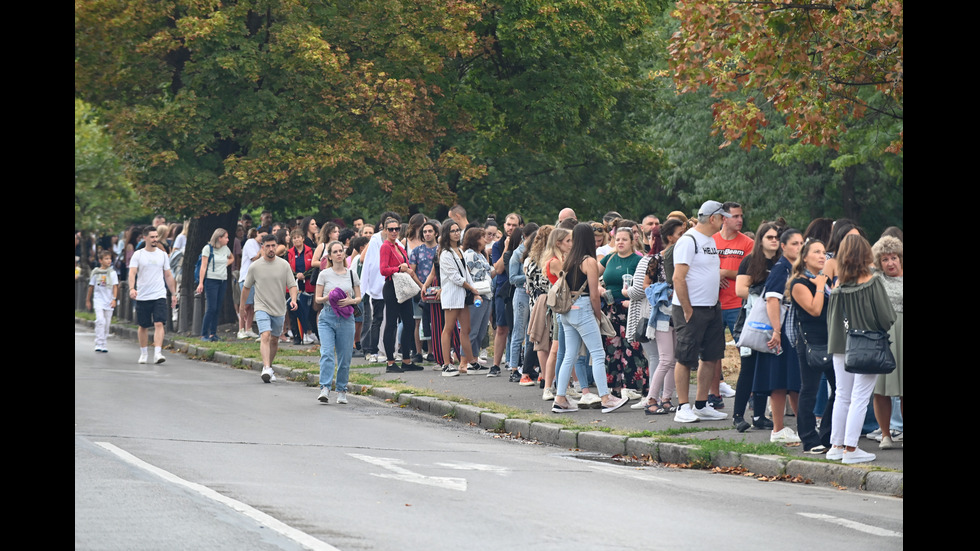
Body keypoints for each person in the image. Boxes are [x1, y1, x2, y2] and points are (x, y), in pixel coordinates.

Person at [825, 234, 897, 464]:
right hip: (868, 345)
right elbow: (887, 317)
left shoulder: (837, 286)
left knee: (842, 395)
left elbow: (832, 321)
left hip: (839, 345)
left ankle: (836, 446)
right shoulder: (872, 283)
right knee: (860, 397)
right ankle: (851, 448)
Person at [551, 223, 630, 414]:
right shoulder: (589, 261)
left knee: (570, 354)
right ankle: (605, 397)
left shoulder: (569, 259)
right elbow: (594, 294)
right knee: (597, 352)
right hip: (584, 308)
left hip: (567, 311)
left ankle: (560, 398)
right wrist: (597, 314)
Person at [671, 201, 730, 423]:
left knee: (712, 356)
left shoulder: (710, 241)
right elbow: (678, 277)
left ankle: (701, 404)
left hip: (711, 306)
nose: (725, 220)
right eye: (722, 217)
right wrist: (687, 309)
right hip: (692, 308)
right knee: (685, 358)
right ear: (712, 218)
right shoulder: (689, 240)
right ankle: (682, 406)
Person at [755, 228, 805, 443]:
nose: (799, 247)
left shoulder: (796, 269)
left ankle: (798, 427)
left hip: (790, 331)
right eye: (794, 243)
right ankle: (780, 429)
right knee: (781, 381)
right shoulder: (781, 269)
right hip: (781, 333)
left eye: (801, 243)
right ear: (783, 247)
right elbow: (772, 300)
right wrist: (776, 331)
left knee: (789, 381)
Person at [732, 223, 781, 432]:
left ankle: (760, 415)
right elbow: (740, 290)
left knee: (766, 369)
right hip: (753, 320)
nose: (774, 240)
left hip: (776, 320)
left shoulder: (783, 262)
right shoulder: (750, 261)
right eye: (769, 237)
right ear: (761, 239)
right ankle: (737, 415)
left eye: (777, 237)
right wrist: (766, 292)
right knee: (748, 368)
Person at [790, 239, 834, 453]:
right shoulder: (799, 283)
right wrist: (818, 287)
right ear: (804, 257)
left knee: (840, 390)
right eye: (816, 252)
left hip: (831, 340)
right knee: (810, 390)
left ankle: (827, 434)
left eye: (824, 252)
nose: (822, 256)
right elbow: (815, 310)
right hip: (811, 343)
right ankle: (808, 438)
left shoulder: (823, 281)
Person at [241, 234, 299, 383]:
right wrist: (242, 307)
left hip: (279, 308)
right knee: (265, 335)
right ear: (262, 247)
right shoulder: (255, 267)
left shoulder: (283, 265)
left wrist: (293, 300)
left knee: (274, 340)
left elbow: (292, 285)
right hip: (261, 306)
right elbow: (246, 288)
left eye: (273, 245)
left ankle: (269, 367)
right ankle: (266, 367)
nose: (271, 249)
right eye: (268, 246)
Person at [711, 201, 752, 405]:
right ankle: (714, 394)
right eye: (735, 216)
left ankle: (751, 394)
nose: (740, 220)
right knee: (713, 352)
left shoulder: (747, 243)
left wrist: (725, 272)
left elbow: (752, 273)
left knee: (745, 350)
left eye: (741, 216)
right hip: (713, 304)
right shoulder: (711, 241)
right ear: (723, 218)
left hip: (738, 304)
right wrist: (713, 275)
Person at [600, 226, 646, 399]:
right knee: (612, 348)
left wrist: (633, 300)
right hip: (611, 309)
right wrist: (598, 288)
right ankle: (615, 387)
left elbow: (644, 284)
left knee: (632, 347)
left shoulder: (638, 260)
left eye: (624, 239)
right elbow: (590, 275)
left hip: (630, 308)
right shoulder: (609, 258)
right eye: (617, 239)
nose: (620, 242)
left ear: (632, 241)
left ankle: (635, 386)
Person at [314, 240, 362, 404]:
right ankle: (325, 388)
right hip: (327, 316)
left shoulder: (351, 274)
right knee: (327, 353)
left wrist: (351, 301)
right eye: (335, 251)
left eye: (341, 251)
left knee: (345, 357)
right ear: (330, 256)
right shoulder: (324, 274)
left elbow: (359, 296)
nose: (339, 254)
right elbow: (318, 298)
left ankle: (342, 390)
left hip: (347, 318)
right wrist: (329, 297)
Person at [871, 236, 903, 450]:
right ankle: (885, 434)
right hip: (883, 333)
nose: (890, 263)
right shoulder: (876, 279)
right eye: (884, 259)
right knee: (881, 387)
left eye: (894, 258)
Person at [380, 217, 424, 373]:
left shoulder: (399, 245)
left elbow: (405, 266)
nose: (394, 232)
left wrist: (408, 271)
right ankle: (390, 362)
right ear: (385, 230)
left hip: (403, 287)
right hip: (392, 286)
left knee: (409, 323)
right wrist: (399, 268)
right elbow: (383, 270)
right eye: (390, 229)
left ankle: (406, 359)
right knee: (391, 324)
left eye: (396, 229)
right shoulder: (386, 246)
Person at [128, 226, 177, 364]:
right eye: (152, 237)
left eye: (156, 237)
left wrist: (173, 293)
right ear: (145, 238)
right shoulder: (138, 255)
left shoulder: (162, 254)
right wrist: (132, 288)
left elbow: (168, 274)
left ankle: (158, 353)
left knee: (159, 323)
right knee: (143, 325)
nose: (155, 239)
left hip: (159, 294)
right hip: (143, 295)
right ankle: (144, 353)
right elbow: (132, 272)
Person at [438, 219, 481, 376]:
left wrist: (474, 292)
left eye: (457, 230)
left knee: (466, 328)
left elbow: (466, 273)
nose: (456, 233)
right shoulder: (445, 254)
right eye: (453, 231)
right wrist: (471, 288)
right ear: (446, 234)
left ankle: (471, 362)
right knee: (448, 329)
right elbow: (455, 277)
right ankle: (446, 364)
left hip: (462, 295)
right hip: (452, 295)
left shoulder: (460, 251)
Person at [491, 213, 522, 375]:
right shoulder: (498, 245)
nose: (510, 228)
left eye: (514, 225)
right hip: (504, 289)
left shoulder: (524, 245)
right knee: (502, 327)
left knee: (519, 328)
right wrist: (506, 248)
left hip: (521, 289)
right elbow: (498, 269)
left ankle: (517, 363)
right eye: (508, 224)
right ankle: (496, 365)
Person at [463, 227, 495, 373]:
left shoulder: (480, 255)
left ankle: (474, 359)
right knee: (472, 329)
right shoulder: (469, 254)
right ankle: (466, 361)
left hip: (486, 295)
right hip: (477, 295)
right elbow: (466, 274)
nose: (485, 240)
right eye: (482, 237)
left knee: (481, 330)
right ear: (475, 239)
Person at [409, 221, 440, 363]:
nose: (427, 234)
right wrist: (422, 286)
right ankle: (418, 352)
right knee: (418, 321)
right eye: (425, 232)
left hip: (437, 290)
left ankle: (432, 351)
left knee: (435, 321)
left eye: (430, 231)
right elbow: (412, 272)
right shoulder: (416, 251)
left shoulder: (441, 250)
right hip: (420, 289)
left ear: (436, 233)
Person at [195, 228, 232, 342]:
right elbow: (203, 266)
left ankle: (213, 333)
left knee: (217, 307)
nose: (228, 239)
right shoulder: (208, 248)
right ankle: (204, 333)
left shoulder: (225, 248)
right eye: (226, 237)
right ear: (219, 238)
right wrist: (201, 283)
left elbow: (232, 258)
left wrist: (223, 266)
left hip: (222, 280)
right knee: (211, 307)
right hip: (211, 280)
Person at [237, 226, 269, 339]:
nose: (263, 238)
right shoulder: (251, 242)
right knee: (246, 305)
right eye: (262, 236)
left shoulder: (260, 245)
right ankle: (240, 329)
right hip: (246, 278)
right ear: (257, 234)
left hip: (256, 278)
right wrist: (261, 250)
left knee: (252, 307)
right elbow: (254, 258)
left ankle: (248, 328)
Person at [87, 250, 118, 353]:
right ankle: (99, 342)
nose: (109, 260)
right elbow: (91, 287)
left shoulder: (112, 273)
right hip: (98, 299)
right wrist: (88, 300)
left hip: (108, 300)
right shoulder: (95, 273)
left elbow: (115, 287)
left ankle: (104, 343)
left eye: (110, 258)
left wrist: (114, 299)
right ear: (100, 260)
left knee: (107, 323)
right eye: (106, 259)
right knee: (100, 321)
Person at [287, 229, 315, 344]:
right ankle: (297, 336)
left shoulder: (311, 251)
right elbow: (287, 268)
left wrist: (305, 275)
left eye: (298, 237)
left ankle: (309, 332)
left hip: (308, 284)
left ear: (303, 238)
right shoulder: (288, 253)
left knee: (309, 310)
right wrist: (297, 275)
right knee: (294, 310)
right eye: (294, 238)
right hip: (294, 284)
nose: (297, 239)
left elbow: (313, 267)